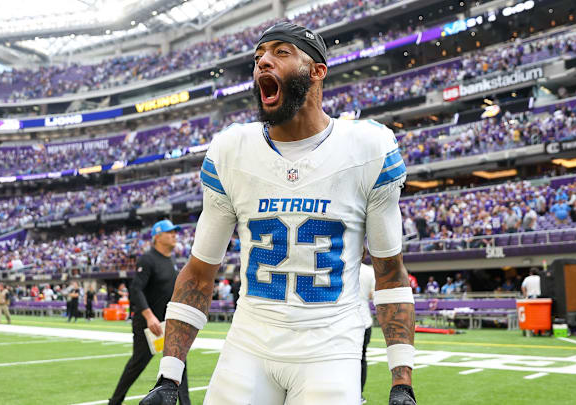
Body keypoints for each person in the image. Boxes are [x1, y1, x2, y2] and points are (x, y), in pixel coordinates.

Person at [141, 22, 416, 405]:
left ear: (317, 70)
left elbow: (390, 274)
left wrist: (401, 381)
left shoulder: (368, 148)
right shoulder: (231, 150)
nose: (263, 62)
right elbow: (200, 273)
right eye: (258, 57)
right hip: (250, 342)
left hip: (330, 346)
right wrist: (169, 376)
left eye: (280, 52)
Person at [109, 219, 191, 405]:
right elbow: (136, 289)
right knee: (137, 364)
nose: (174, 235)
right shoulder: (148, 259)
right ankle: (114, 402)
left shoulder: (171, 261)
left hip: (167, 324)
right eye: (170, 232)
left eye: (175, 232)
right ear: (157, 236)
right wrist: (149, 316)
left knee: (179, 364)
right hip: (148, 325)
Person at [358, 251, 376, 404]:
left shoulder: (340, 267)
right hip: (364, 320)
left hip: (343, 320)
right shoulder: (369, 271)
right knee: (362, 359)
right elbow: (373, 295)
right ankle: (359, 394)